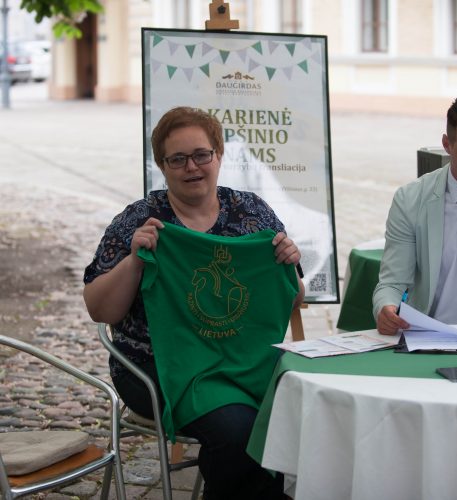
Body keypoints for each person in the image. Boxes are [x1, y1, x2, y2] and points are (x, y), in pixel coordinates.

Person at [83, 106, 305, 500]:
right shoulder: (141, 220)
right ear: (162, 165)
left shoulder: (251, 213)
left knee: (305, 408)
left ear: (218, 155)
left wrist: (289, 262)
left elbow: (292, 295)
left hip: (241, 358)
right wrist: (136, 260)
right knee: (241, 430)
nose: (192, 167)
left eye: (202, 155)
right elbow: (101, 310)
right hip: (156, 366)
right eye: (178, 159)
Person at [373, 92, 457, 335]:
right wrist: (386, 309)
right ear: (447, 145)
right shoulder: (410, 200)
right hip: (434, 339)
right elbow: (392, 283)